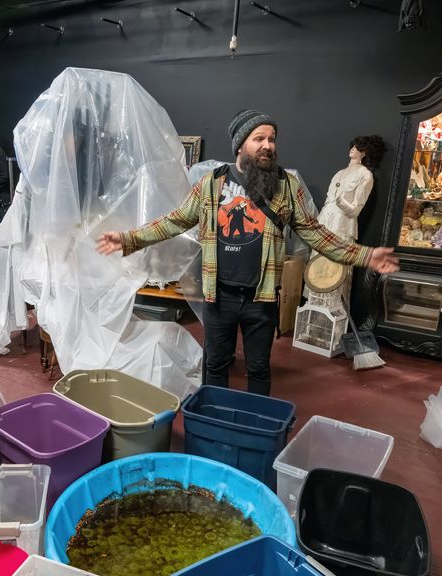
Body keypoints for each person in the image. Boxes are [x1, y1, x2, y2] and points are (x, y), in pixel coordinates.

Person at [97, 110, 399, 396]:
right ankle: (213, 423)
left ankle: (254, 425)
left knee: (258, 369)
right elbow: (174, 221)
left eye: (272, 138)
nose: (268, 145)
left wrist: (363, 255)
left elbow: (315, 233)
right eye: (259, 138)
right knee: (214, 366)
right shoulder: (211, 184)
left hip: (261, 299)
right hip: (218, 295)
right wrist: (129, 239)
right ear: (240, 145)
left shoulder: (286, 185)